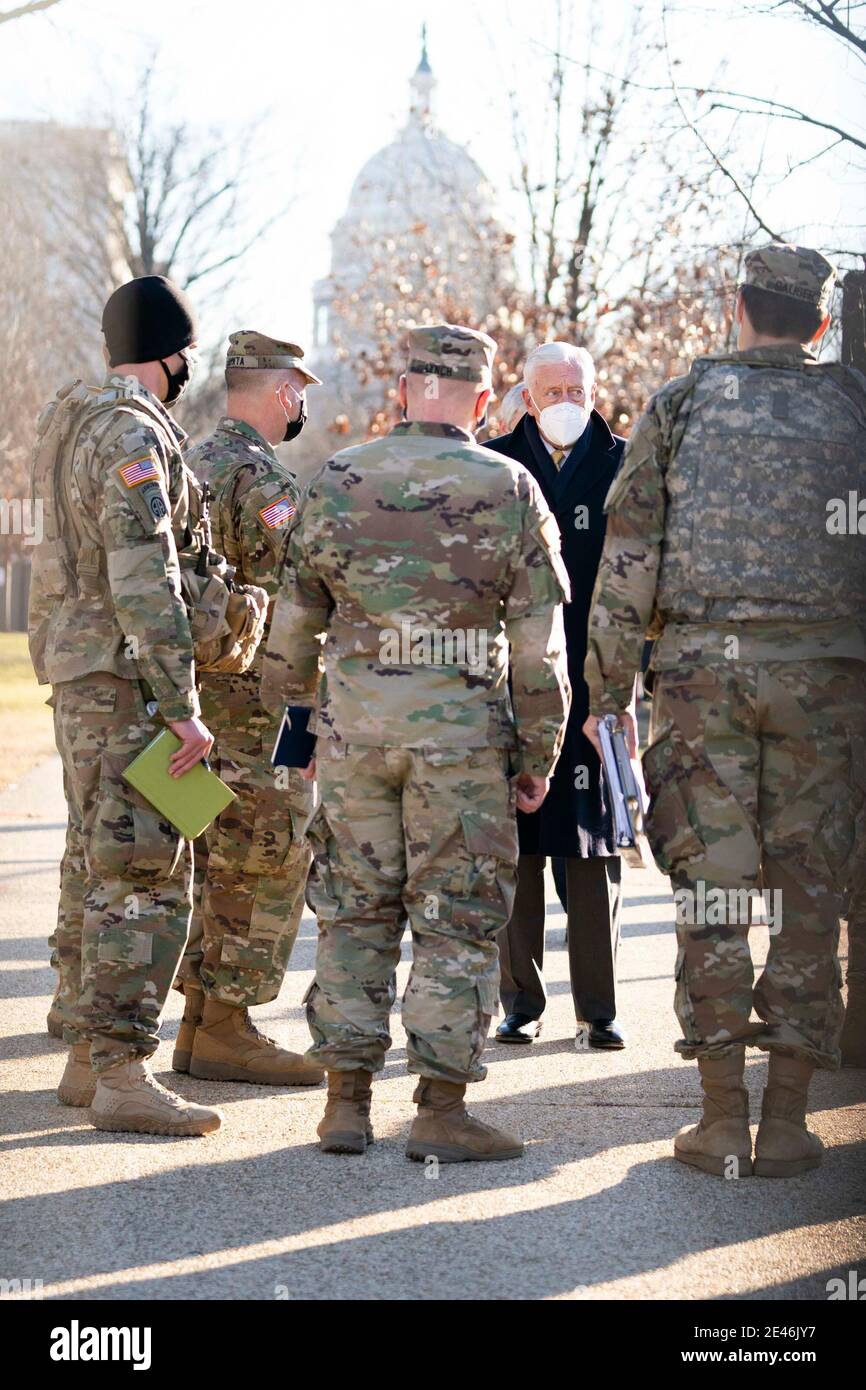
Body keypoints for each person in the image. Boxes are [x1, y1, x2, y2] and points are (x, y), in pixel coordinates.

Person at [583, 243, 866, 1178]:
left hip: (704, 683)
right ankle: (786, 1120)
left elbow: (629, 555)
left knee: (713, 893)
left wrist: (607, 691)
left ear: (737, 307)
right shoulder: (856, 406)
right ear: (820, 324)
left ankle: (717, 1118)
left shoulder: (682, 404)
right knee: (808, 894)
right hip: (827, 686)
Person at [262, 323, 570, 1162]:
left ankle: (345, 1104)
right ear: (480, 399)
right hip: (464, 750)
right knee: (454, 922)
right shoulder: (510, 487)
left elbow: (292, 636)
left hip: (357, 739)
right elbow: (540, 651)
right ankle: (438, 1111)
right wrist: (538, 755)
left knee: (354, 912)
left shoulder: (338, 478)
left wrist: (303, 734)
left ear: (403, 390)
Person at [29, 275, 241, 1137]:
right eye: (186, 352)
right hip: (127, 683)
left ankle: (88, 1060)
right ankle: (121, 1072)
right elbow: (143, 573)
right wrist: (181, 701)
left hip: (86, 676)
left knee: (96, 861)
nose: (190, 366)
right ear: (166, 352)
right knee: (146, 873)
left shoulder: (75, 424)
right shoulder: (128, 433)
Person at [172, 331, 324, 1087]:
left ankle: (201, 1022)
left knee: (213, 859)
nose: (301, 405)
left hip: (195, 711)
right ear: (281, 392)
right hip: (262, 714)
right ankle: (227, 1025)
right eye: (300, 391)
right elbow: (306, 594)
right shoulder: (260, 483)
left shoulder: (191, 463)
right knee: (269, 855)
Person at [486, 342, 626, 1048]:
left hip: (596, 682)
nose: (566, 400)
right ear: (527, 396)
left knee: (591, 847)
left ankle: (598, 1011)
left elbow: (640, 582)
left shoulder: (623, 462)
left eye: (578, 386)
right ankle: (522, 1002)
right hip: (514, 680)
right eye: (552, 390)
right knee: (518, 846)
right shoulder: (497, 463)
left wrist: (626, 686)